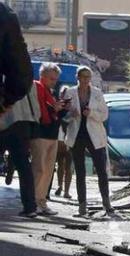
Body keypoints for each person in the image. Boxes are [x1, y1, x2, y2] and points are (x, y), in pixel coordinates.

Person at [0, 1, 38, 217]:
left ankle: (31, 205)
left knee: (23, 164)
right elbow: (21, 74)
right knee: (23, 164)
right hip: (14, 122)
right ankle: (30, 206)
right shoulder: (4, 14)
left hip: (13, 123)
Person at [65, 66, 113, 217]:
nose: (85, 79)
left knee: (101, 171)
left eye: (88, 77)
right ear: (77, 77)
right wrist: (70, 113)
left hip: (95, 135)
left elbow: (104, 115)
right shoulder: (70, 92)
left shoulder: (97, 93)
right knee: (80, 172)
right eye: (82, 76)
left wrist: (91, 113)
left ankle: (107, 203)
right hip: (77, 135)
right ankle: (82, 206)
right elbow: (63, 115)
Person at [30, 62, 68, 216]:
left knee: (47, 171)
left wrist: (60, 109)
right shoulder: (37, 87)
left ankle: (42, 201)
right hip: (40, 133)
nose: (54, 81)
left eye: (56, 79)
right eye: (52, 78)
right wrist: (54, 108)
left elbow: (52, 113)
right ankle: (33, 202)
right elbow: (39, 110)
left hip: (52, 134)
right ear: (42, 76)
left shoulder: (49, 91)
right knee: (39, 169)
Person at [54, 86, 73, 199]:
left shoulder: (73, 106)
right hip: (59, 138)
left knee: (68, 166)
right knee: (60, 164)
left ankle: (66, 191)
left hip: (70, 138)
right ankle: (60, 186)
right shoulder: (58, 105)